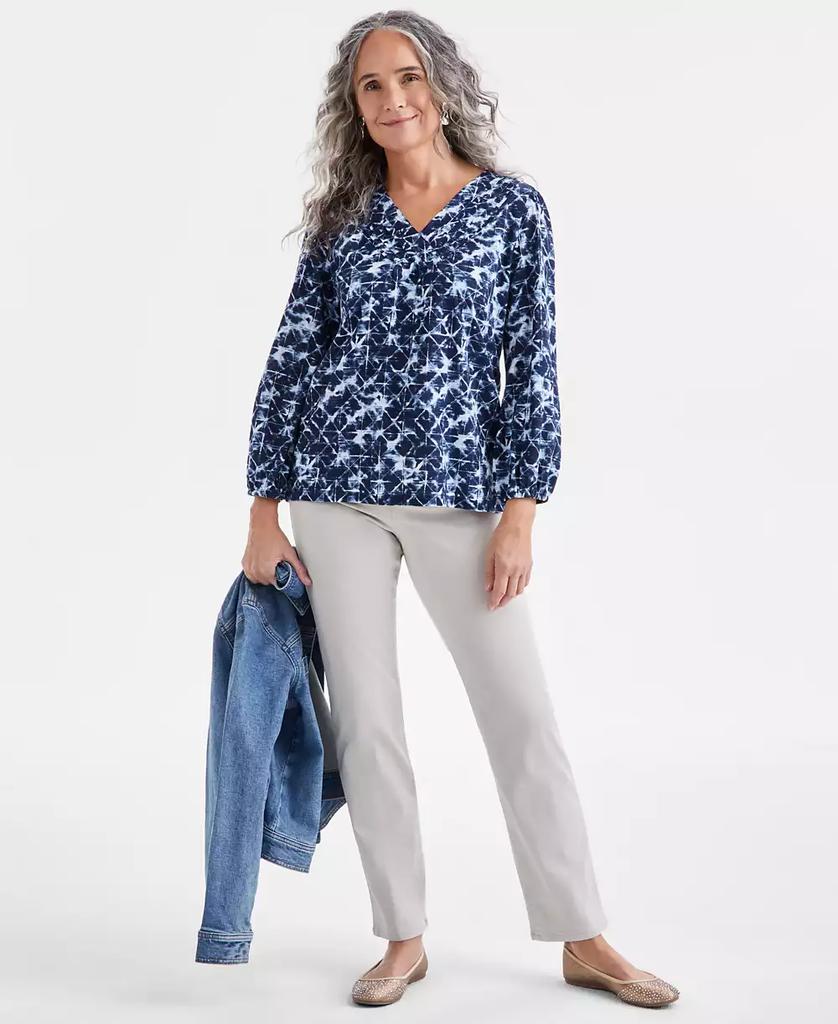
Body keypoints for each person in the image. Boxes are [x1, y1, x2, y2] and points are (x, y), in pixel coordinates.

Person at [241, 11, 679, 1010]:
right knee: (369, 724)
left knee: (520, 714)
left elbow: (533, 365)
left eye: (407, 77)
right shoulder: (341, 219)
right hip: (336, 494)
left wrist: (522, 511)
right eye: (371, 85)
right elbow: (292, 359)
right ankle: (402, 937)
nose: (392, 98)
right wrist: (264, 511)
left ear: (440, 85)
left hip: (462, 497)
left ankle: (583, 935)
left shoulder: (512, 211)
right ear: (353, 106)